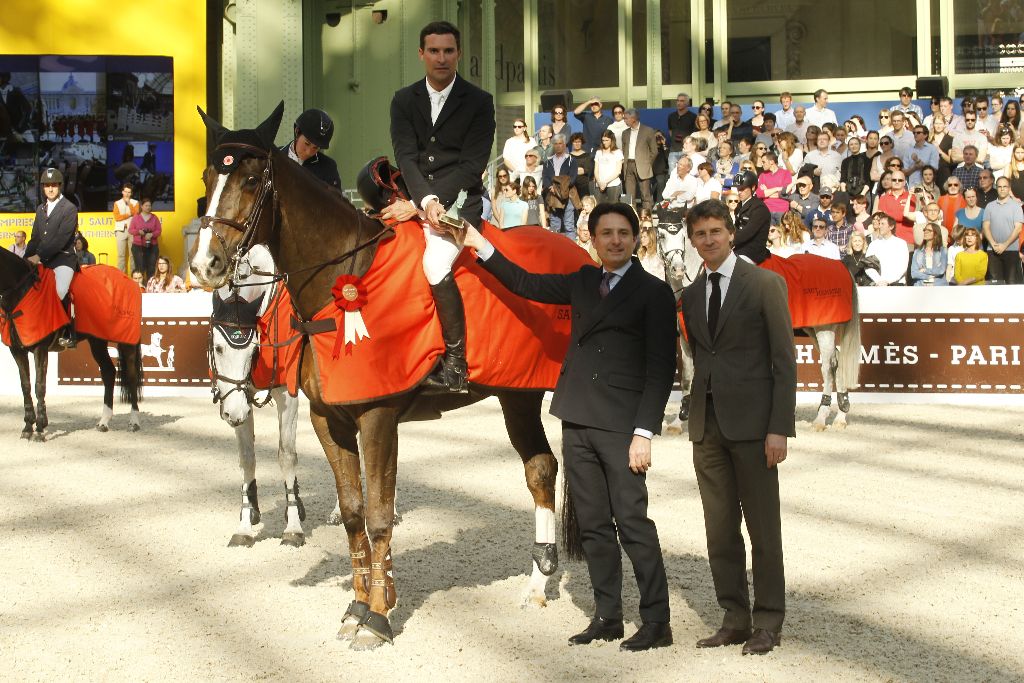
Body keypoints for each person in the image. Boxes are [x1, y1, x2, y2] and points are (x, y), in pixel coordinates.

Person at [462, 203, 677, 652]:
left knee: (633, 523)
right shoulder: (582, 281)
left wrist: (645, 432)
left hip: (622, 427)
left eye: (623, 233)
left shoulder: (654, 292)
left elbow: (661, 370)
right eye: (606, 234)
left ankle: (657, 621)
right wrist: (481, 246)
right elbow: (525, 283)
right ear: (593, 240)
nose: (614, 240)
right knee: (594, 525)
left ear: (636, 239)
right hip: (577, 418)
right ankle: (608, 616)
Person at [681, 198, 795, 657]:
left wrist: (779, 428)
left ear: (730, 233)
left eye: (714, 231)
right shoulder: (690, 295)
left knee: (764, 530)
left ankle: (769, 620)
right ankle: (734, 617)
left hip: (754, 427)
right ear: (692, 241)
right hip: (706, 428)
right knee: (719, 529)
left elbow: (784, 363)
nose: (707, 240)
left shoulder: (765, 284)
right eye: (699, 234)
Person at [384, 21, 495, 393]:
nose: (441, 58)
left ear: (458, 54)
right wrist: (424, 201)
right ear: (421, 54)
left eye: (448, 51)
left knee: (434, 262)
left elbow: (471, 164)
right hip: (417, 196)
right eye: (434, 51)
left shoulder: (480, 102)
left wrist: (427, 207)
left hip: (462, 204)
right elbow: (406, 156)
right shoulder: (402, 99)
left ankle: (456, 364)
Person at [25, 168, 78, 348]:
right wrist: (24, 260)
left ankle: (67, 331)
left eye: (53, 185)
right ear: (43, 188)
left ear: (59, 187)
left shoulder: (69, 208)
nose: (50, 189)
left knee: (60, 290)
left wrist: (38, 256)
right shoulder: (41, 209)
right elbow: (35, 238)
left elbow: (60, 240)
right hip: (45, 259)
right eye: (47, 186)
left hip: (63, 259)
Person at [285, 108, 342, 189]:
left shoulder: (328, 167)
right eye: (307, 143)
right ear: (297, 131)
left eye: (315, 148)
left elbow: (335, 200)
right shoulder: (274, 158)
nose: (309, 152)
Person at [982, 177, 1024, 284]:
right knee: (995, 285)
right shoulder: (989, 206)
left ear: (1009, 188)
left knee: (1011, 284)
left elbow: (1018, 228)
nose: (1002, 189)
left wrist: (1004, 245)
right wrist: (993, 244)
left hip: (1011, 250)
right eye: (999, 186)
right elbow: (985, 227)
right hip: (993, 251)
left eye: (1005, 186)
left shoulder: (1016, 207)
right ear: (996, 188)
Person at [542, 134, 579, 240]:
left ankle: (571, 251)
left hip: (568, 195)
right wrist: (551, 188)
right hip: (553, 195)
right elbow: (545, 177)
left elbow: (572, 178)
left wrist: (559, 189)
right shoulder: (548, 162)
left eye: (560, 143)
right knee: (555, 227)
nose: (558, 146)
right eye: (556, 144)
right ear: (553, 145)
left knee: (569, 226)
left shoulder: (572, 160)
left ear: (564, 145)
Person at [620, 109, 657, 214]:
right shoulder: (625, 133)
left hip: (643, 166)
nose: (624, 121)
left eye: (626, 118)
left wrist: (647, 164)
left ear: (633, 119)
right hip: (628, 166)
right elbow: (624, 149)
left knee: (645, 195)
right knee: (628, 196)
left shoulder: (648, 131)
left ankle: (647, 222)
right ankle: (631, 220)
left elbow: (654, 151)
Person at [731, 170, 771, 263]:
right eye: (738, 189)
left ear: (753, 187)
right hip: (739, 247)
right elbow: (735, 228)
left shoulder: (759, 208)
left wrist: (726, 241)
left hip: (752, 252)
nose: (739, 192)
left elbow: (747, 233)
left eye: (743, 189)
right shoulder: (740, 206)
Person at [865, 213, 909, 285]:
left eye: (883, 224)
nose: (879, 226)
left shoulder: (901, 243)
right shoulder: (873, 244)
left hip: (897, 285)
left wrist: (888, 281)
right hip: (879, 285)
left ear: (891, 227)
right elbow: (868, 265)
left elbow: (903, 267)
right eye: (879, 224)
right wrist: (879, 280)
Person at [128, 198, 161, 282]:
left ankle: (151, 286)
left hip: (152, 246)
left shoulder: (154, 218)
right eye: (146, 205)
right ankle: (140, 288)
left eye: (149, 205)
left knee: (151, 268)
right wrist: (139, 232)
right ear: (141, 206)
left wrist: (152, 234)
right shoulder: (136, 217)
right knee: (140, 268)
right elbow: (130, 230)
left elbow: (159, 230)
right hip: (138, 247)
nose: (148, 207)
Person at [112, 182, 139, 274]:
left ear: (131, 193)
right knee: (121, 256)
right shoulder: (117, 203)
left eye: (129, 192)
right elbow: (117, 217)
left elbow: (136, 215)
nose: (127, 194)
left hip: (132, 231)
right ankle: (121, 278)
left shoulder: (135, 203)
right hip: (120, 230)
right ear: (122, 192)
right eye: (125, 192)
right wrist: (128, 214)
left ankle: (134, 278)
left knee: (133, 255)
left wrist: (129, 204)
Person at [757, 152, 792, 221]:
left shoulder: (785, 173)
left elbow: (786, 192)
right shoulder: (762, 175)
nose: (762, 164)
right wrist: (777, 188)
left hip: (782, 210)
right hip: (767, 210)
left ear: (771, 162)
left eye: (763, 162)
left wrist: (767, 192)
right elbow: (759, 194)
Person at [592, 130, 623, 204]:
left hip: (613, 184)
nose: (604, 142)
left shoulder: (617, 152)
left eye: (607, 140)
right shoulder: (599, 152)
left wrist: (605, 182)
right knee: (599, 208)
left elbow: (618, 171)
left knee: (613, 208)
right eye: (603, 140)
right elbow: (596, 170)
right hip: (599, 185)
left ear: (612, 140)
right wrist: (599, 182)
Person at [667, 92, 696, 168]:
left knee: (685, 174)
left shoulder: (693, 117)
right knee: (672, 175)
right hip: (673, 151)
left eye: (682, 101)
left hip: (686, 151)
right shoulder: (671, 116)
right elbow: (670, 131)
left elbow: (694, 135)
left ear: (687, 103)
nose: (679, 103)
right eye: (678, 100)